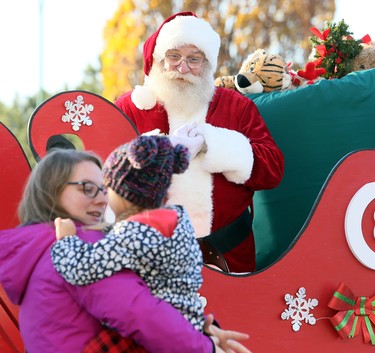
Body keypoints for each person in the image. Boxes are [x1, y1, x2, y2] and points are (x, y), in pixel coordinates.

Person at [0, 148, 251, 353]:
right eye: (87, 188)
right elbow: (140, 313)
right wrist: (205, 347)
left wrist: (200, 330)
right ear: (50, 192)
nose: (101, 200)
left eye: (103, 188)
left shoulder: (42, 248)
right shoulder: (77, 246)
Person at [115, 11, 285, 273]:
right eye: (174, 56)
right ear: (160, 58)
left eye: (194, 59)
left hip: (230, 255)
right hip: (149, 260)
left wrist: (213, 143)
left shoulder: (236, 106)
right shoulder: (129, 108)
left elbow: (272, 170)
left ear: (208, 64)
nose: (183, 68)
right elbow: (107, 175)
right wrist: (162, 151)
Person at [51, 135, 205, 331]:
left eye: (108, 189)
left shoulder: (133, 234)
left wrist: (66, 239)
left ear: (126, 194)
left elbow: (82, 269)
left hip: (156, 331)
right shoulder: (176, 221)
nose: (104, 197)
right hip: (187, 321)